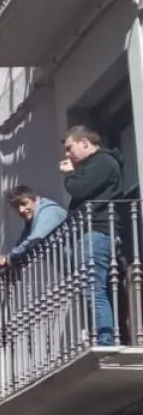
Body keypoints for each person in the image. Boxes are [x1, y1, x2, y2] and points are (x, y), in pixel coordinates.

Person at [60, 126, 127, 346]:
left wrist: (70, 175)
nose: (68, 154)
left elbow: (80, 190)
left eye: (70, 148)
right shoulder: (97, 164)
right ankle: (106, 335)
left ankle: (106, 339)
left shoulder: (102, 162)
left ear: (85, 143)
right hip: (95, 233)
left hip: (98, 232)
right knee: (96, 288)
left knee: (93, 289)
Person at [0, 186, 67, 269]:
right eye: (16, 207)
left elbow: (34, 240)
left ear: (36, 200)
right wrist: (4, 259)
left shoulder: (49, 211)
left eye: (24, 204)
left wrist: (9, 258)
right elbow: (22, 244)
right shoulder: (31, 222)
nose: (21, 210)